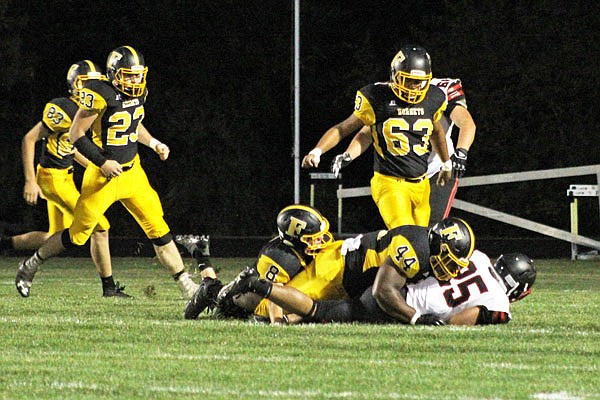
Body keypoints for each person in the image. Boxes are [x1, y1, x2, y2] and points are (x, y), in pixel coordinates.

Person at [15, 46, 198, 299]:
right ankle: (31, 264)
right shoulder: (100, 94)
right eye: (128, 75)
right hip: (102, 177)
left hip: (133, 174)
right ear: (113, 74)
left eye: (137, 75)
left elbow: (132, 122)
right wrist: (101, 162)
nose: (135, 81)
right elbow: (75, 133)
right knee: (77, 235)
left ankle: (188, 287)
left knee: (158, 228)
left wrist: (153, 143)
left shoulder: (139, 92)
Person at [2, 60, 127, 297]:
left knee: (54, 236)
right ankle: (109, 287)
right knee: (100, 226)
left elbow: (73, 148)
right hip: (52, 179)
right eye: (85, 83)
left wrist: (97, 165)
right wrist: (30, 180)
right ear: (73, 85)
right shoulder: (64, 108)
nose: (90, 87)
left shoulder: (87, 111)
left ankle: (5, 244)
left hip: (64, 177)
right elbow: (29, 139)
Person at [220, 216, 475, 325]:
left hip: (351, 275)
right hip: (337, 270)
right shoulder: (413, 249)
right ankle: (229, 289)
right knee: (265, 310)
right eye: (449, 260)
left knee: (310, 316)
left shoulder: (426, 249)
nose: (451, 269)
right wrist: (415, 317)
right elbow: (383, 291)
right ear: (437, 244)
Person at [302, 44, 452, 229]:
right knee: (404, 235)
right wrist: (318, 151)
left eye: (419, 82)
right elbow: (345, 129)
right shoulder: (377, 98)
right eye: (409, 80)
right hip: (390, 183)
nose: (415, 87)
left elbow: (436, 131)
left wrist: (446, 163)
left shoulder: (434, 98)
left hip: (421, 184)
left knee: (421, 243)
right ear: (395, 76)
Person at [229, 250, 535, 326]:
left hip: (392, 277)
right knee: (318, 310)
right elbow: (456, 322)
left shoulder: (479, 256)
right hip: (396, 304)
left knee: (325, 307)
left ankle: (258, 296)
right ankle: (259, 287)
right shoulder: (500, 306)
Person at [330, 77, 477, 228]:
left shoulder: (439, 91)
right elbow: (368, 132)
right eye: (407, 80)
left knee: (430, 230)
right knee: (401, 231)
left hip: (436, 171)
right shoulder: (388, 93)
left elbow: (466, 123)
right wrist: (349, 154)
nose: (412, 88)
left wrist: (461, 152)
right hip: (399, 175)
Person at [180, 204, 333, 320]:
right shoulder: (282, 258)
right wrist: (279, 322)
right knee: (219, 296)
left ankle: (201, 255)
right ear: (296, 238)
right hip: (241, 299)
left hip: (255, 287)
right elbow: (273, 294)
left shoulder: (300, 250)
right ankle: (207, 282)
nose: (320, 240)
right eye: (314, 237)